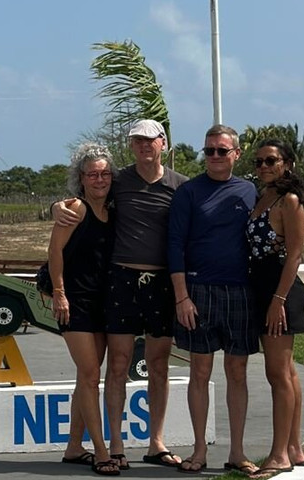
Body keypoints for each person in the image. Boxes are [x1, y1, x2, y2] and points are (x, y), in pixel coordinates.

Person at [54, 119, 187, 469]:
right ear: (131, 147)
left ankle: (155, 442)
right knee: (116, 365)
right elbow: (82, 197)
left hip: (160, 285)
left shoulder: (181, 187)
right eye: (137, 141)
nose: (144, 146)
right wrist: (58, 206)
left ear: (163, 144)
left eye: (150, 140)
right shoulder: (118, 180)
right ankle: (114, 445)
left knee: (157, 365)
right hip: (121, 281)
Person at [169, 124, 259, 475]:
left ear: (236, 154)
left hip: (240, 292)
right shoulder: (189, 193)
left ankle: (237, 452)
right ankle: (198, 450)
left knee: (237, 371)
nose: (216, 157)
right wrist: (181, 297)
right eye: (209, 151)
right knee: (199, 371)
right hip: (198, 291)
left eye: (222, 150)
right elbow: (174, 245)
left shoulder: (250, 192)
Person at [49, 143, 117, 475]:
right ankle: (102, 452)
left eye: (105, 173)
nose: (100, 179)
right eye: (93, 174)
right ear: (82, 177)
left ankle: (74, 448)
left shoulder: (115, 207)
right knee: (91, 376)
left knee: (86, 377)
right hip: (74, 302)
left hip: (104, 301)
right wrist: (59, 293)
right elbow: (54, 252)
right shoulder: (74, 209)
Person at [247, 140, 304, 478]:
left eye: (271, 160)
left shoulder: (290, 201)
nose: (264, 167)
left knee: (277, 374)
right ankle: (294, 447)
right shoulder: (263, 196)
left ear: (287, 163)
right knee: (288, 371)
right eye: (258, 162)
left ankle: (279, 454)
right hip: (261, 286)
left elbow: (295, 255)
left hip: (279, 290)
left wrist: (278, 301)